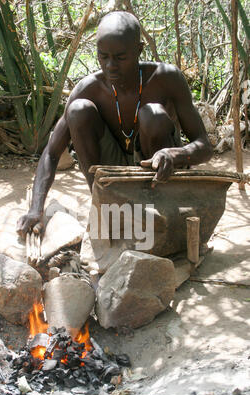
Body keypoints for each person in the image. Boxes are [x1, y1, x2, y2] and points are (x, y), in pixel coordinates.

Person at [17, 10, 213, 239]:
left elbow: (205, 145)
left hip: (158, 174)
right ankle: (103, 205)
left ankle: (159, 210)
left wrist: (176, 154)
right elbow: (51, 154)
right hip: (113, 174)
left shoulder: (166, 79)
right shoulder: (89, 88)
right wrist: (35, 209)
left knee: (153, 115)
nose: (111, 66)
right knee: (78, 111)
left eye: (121, 57)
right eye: (103, 57)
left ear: (139, 50)